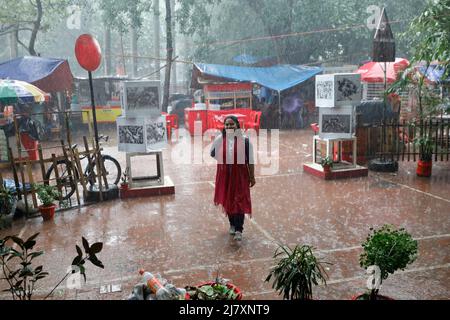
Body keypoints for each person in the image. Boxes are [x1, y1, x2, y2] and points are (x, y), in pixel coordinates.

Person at [210, 115, 256, 242]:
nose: (229, 127)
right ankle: (232, 224)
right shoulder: (219, 139)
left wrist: (252, 177)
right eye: (227, 125)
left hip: (240, 177)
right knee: (228, 200)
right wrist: (225, 163)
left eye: (232, 124)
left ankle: (239, 229)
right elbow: (212, 153)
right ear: (224, 127)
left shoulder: (245, 140)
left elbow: (250, 161)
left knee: (239, 201)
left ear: (237, 125)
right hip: (225, 176)